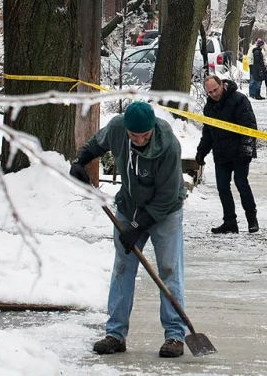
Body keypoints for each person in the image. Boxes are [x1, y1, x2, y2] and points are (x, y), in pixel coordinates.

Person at [69, 101, 187, 358]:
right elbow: (95, 144)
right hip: (129, 205)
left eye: (145, 135)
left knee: (169, 270)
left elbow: (166, 197)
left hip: (166, 211)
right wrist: (80, 161)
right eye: (134, 135)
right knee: (122, 267)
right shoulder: (116, 128)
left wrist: (136, 226)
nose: (140, 140)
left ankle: (175, 336)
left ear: (152, 128)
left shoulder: (168, 145)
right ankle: (115, 333)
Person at [195, 76, 259, 233]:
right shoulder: (209, 108)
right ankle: (230, 222)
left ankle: (252, 219)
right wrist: (201, 152)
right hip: (221, 153)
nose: (214, 94)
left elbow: (249, 125)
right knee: (223, 187)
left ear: (222, 84)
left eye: (215, 90)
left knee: (241, 183)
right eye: (210, 92)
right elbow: (208, 133)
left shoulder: (239, 100)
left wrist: (247, 148)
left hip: (239, 152)